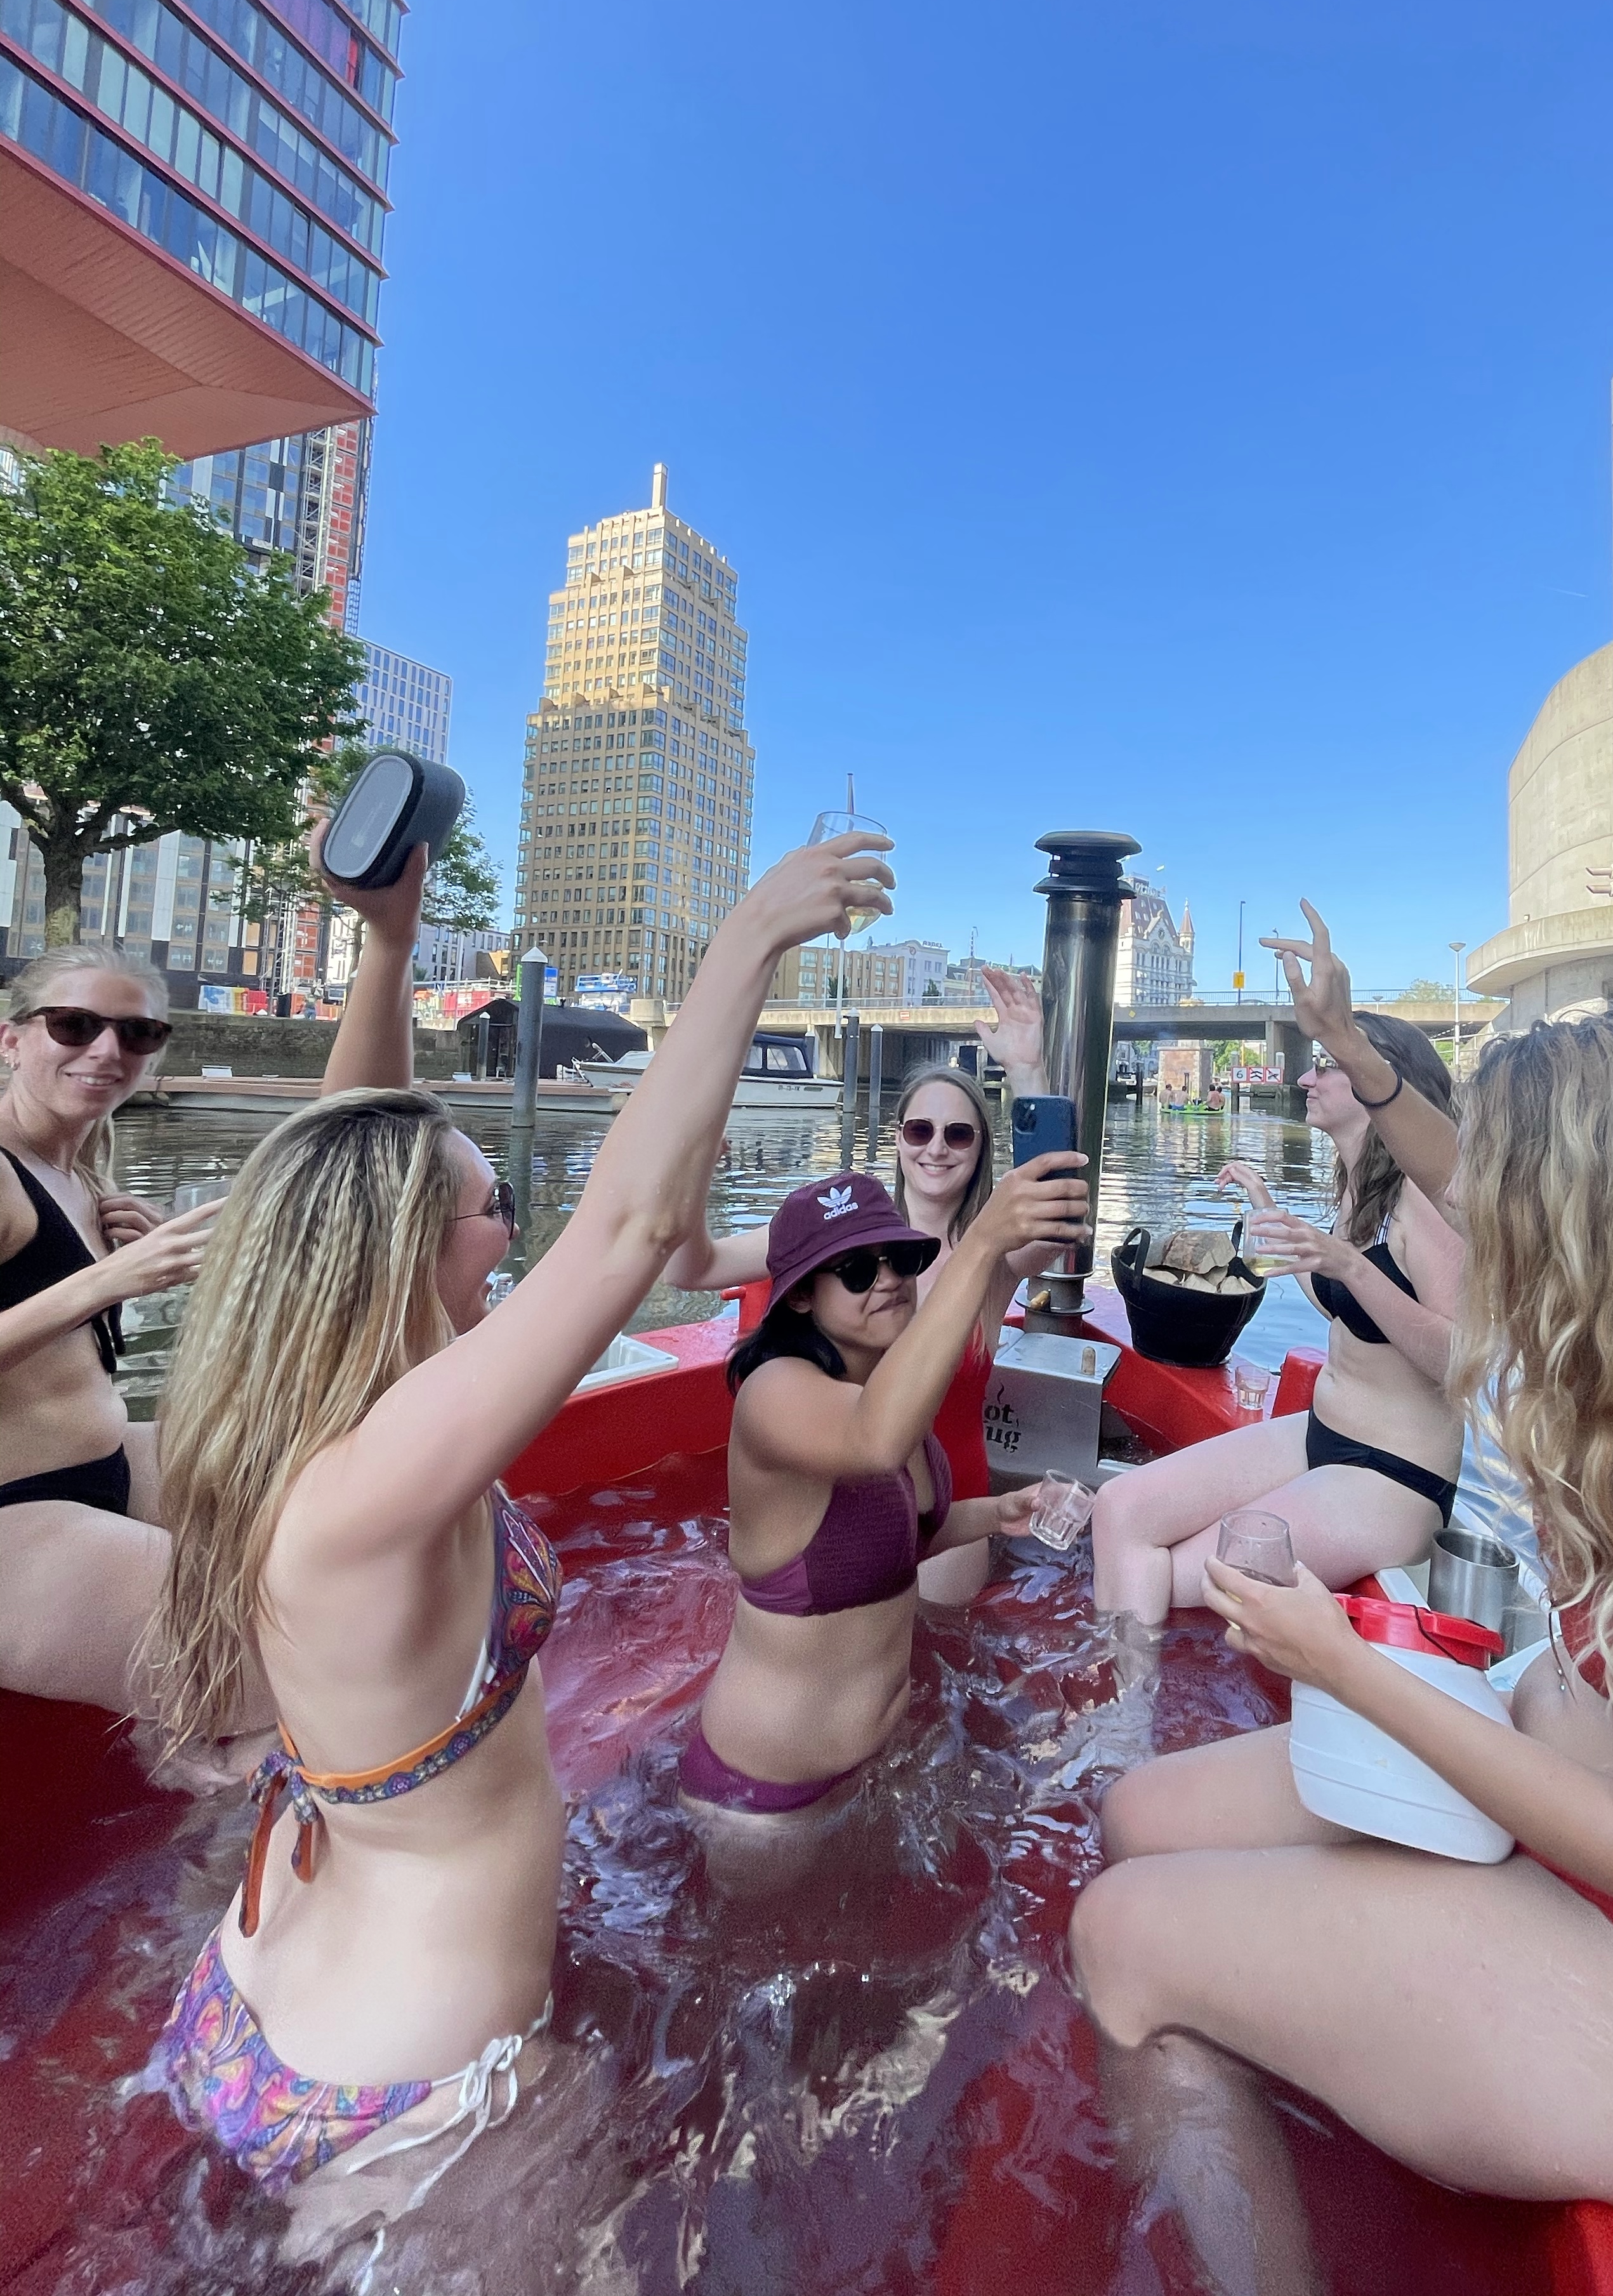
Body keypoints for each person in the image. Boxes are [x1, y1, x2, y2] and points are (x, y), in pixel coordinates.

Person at [1069, 920, 1613, 2281]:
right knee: (1134, 1818)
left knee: (1121, 1941)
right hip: (1567, 1809)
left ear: (1578, 1213)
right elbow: (1445, 1166)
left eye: (1498, 1199)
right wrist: (1353, 1052)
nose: (1468, 1224)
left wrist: (1342, 1664)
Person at [145, 826, 889, 2211]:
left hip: (272, 1986)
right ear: (409, 1251)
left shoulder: (306, 1435)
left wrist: (388, 944)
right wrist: (746, 942)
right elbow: (626, 1232)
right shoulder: (371, 1483)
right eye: (496, 1206)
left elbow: (347, 1161)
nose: (515, 1229)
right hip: (417, 2083)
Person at [679, 1148, 1088, 1882]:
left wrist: (997, 1513)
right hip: (766, 1797)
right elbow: (874, 1439)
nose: (889, 1281)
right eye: (857, 1271)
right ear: (801, 1298)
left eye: (898, 1261)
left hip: (879, 1766)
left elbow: (896, 1542)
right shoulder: (775, 1393)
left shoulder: (883, 1391)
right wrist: (983, 1245)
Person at [665, 966, 1056, 1600]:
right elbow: (691, 1268)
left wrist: (1028, 1073)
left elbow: (1057, 1209)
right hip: (832, 1503)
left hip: (952, 1507)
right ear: (898, 1139)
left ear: (982, 1147)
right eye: (920, 1130)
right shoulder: (833, 1233)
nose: (937, 1148)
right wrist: (690, 1169)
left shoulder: (995, 1253)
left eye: (958, 1133)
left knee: (933, 1650)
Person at [1090, 1012, 1463, 1624]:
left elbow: (1461, 1361)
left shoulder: (1426, 1200)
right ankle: (1122, 1680)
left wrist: (1351, 1266)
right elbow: (1347, 1306)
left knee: (1172, 1574)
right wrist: (1269, 1215)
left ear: (1380, 1078)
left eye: (1326, 1065)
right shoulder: (1359, 1186)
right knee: (1118, 1509)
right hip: (1322, 1434)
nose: (1305, 1078)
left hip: (1393, 1477)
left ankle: (1126, 1687)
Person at [0, 942, 228, 1711]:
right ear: (12, 1039)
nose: (106, 1051)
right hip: (15, 1514)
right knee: (282, 1651)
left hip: (102, 1464)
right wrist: (107, 1279)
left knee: (310, 1534)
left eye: (137, 1033)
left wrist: (149, 1260)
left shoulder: (83, 1173)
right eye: (74, 1025)